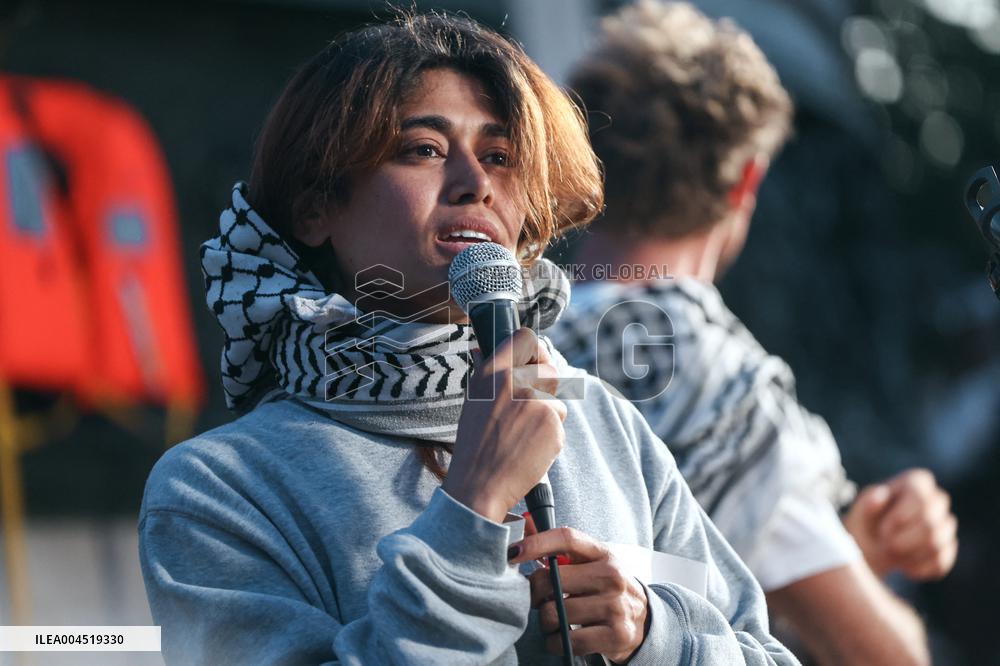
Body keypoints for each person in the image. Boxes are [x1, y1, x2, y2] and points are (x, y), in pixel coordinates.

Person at [138, 11, 800, 665]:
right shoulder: (218, 489)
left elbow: (765, 653)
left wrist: (654, 635)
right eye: (423, 149)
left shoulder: (604, 423)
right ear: (316, 208)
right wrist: (473, 506)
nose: (476, 185)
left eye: (501, 156)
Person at [549, 2, 957, 665]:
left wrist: (853, 547)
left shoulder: (507, 342)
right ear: (747, 180)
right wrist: (866, 567)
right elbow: (880, 656)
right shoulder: (718, 383)